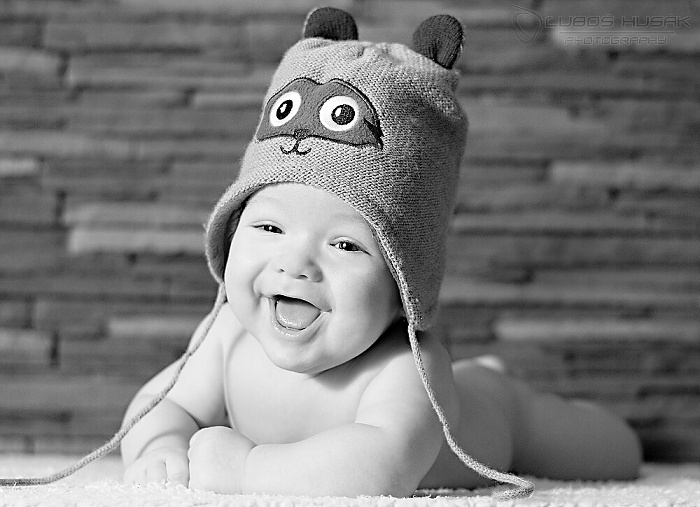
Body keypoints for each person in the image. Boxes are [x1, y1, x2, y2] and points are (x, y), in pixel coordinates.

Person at [120, 7, 642, 499]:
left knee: (606, 451)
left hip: (497, 418)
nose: (295, 264)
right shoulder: (226, 334)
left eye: (345, 244)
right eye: (270, 226)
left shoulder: (406, 366)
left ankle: (518, 391)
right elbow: (160, 406)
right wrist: (160, 447)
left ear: (403, 282)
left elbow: (382, 466)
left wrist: (247, 469)